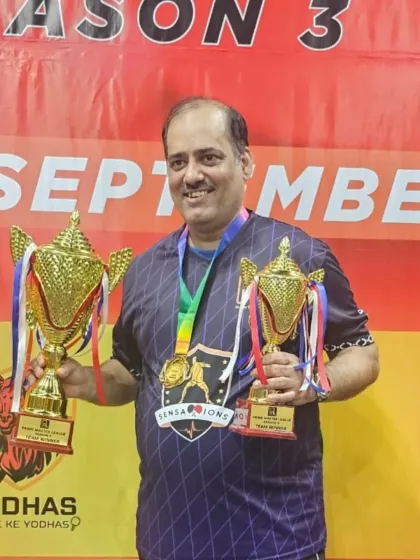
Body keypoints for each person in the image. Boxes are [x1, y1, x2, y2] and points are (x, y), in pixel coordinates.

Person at [29, 96, 379, 560]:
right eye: (178, 162)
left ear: (245, 162)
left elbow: (362, 353)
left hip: (273, 542)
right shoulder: (145, 270)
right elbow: (130, 373)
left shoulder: (298, 255)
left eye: (209, 157)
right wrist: (82, 380)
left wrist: (315, 380)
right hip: (166, 540)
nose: (191, 175)